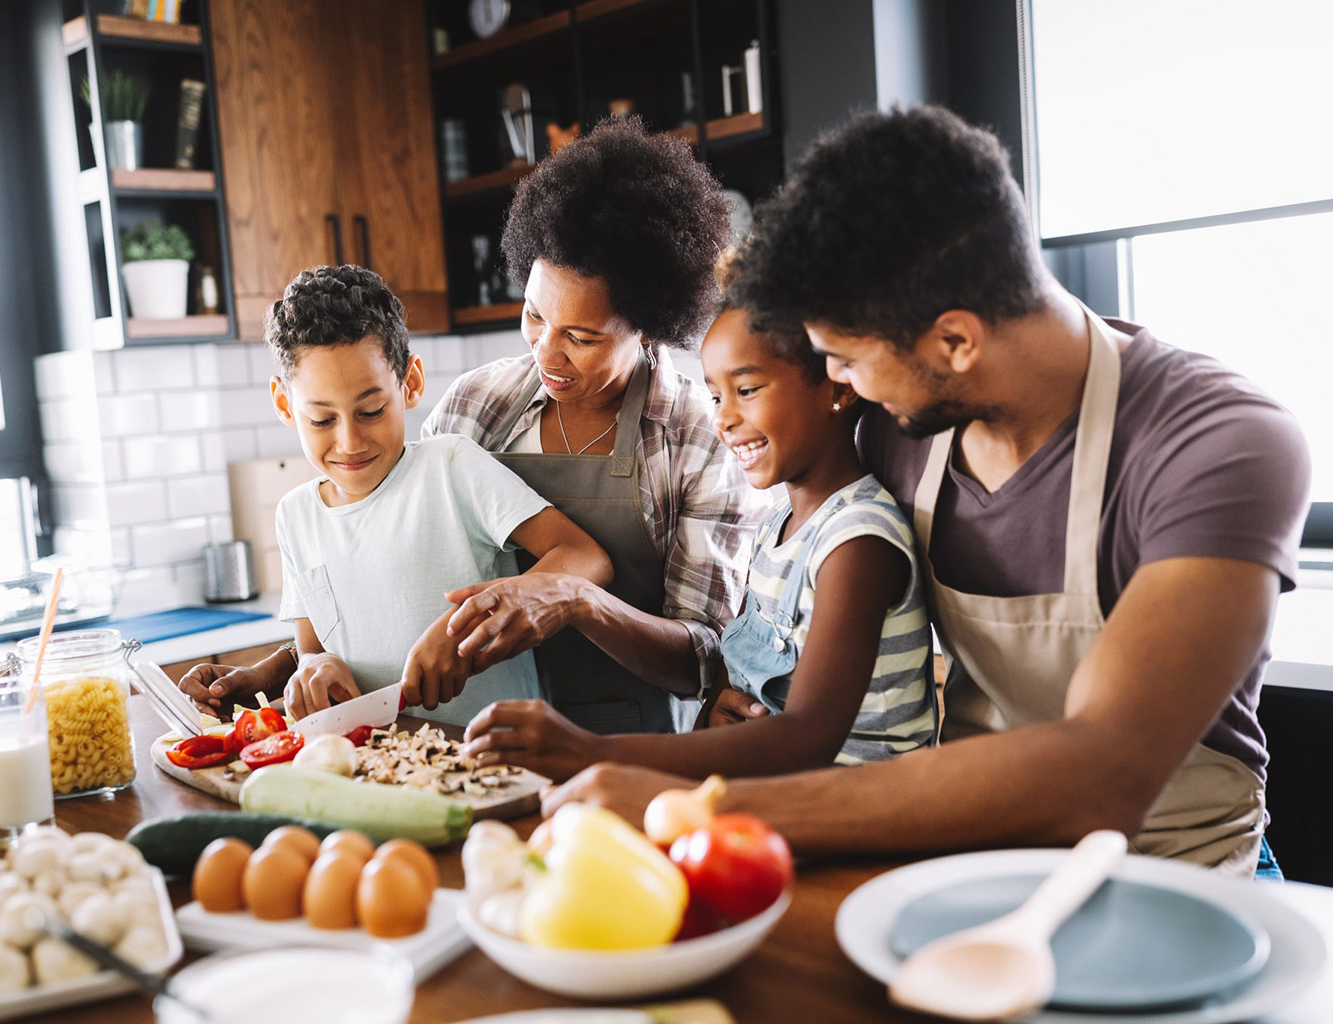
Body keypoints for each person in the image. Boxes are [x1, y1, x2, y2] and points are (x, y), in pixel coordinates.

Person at [546, 106, 1310, 877]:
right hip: (974, 861)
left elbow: (1102, 775)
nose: (837, 383)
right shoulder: (896, 428)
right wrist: (744, 698)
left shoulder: (1223, 446)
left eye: (843, 359)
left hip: (1181, 871)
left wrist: (696, 804)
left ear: (955, 340)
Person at [461, 278, 937, 782]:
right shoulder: (781, 525)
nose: (724, 419)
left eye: (746, 391)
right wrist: (720, 706)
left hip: (861, 814)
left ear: (839, 387)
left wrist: (593, 753)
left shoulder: (856, 541)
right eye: (715, 396)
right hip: (787, 797)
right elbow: (746, 683)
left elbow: (806, 737)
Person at [421, 116, 763, 735]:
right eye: (533, 316)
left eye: (580, 337)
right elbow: (402, 557)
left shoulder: (697, 435)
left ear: (649, 326)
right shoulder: (476, 406)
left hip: (634, 746)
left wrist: (577, 601)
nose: (545, 353)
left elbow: (705, 658)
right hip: (476, 736)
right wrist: (293, 660)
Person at [178, 265, 612, 723]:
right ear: (285, 405)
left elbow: (586, 558)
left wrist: (473, 621)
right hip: (377, 767)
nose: (349, 442)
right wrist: (317, 668)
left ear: (410, 383)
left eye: (371, 410)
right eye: (322, 420)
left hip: (495, 758)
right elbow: (314, 650)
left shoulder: (451, 468)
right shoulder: (295, 516)